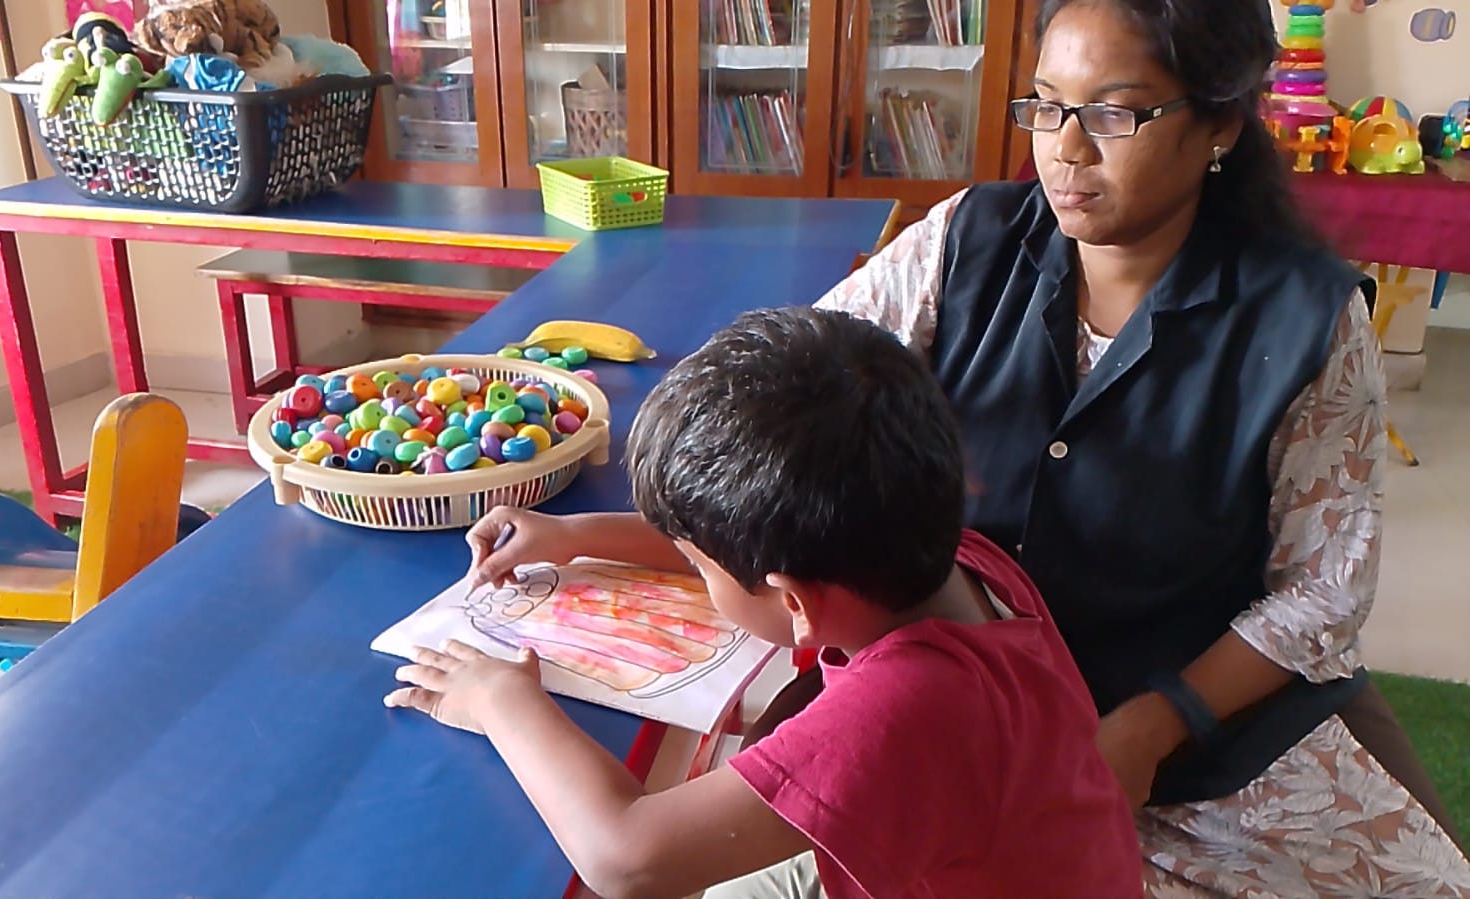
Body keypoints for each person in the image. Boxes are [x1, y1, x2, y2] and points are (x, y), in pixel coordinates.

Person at [773, 0, 1470, 895]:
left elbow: (1323, 589)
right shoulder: (964, 242)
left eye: (1113, 113)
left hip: (1195, 737)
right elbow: (800, 381)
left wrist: (1153, 724)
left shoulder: (1303, 317)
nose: (1064, 148)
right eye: (1045, 105)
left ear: (1219, 125)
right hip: (956, 697)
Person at [385, 308, 1143, 898]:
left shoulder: (908, 710)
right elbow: (760, 545)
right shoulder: (952, 553)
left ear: (793, 603)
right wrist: (576, 535)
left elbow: (626, 858)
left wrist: (501, 699)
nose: (689, 562)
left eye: (694, 563)